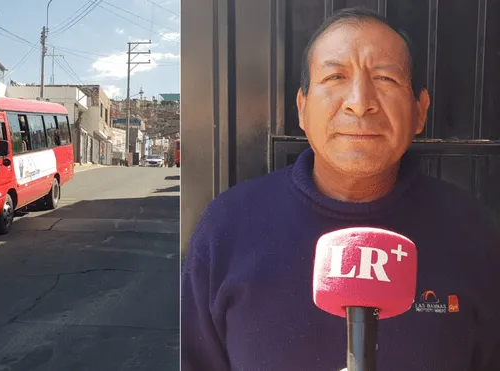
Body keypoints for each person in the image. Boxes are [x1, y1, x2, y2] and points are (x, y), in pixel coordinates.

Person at [180, 6, 500, 371]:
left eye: (385, 79)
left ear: (420, 111)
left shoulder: (471, 232)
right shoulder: (227, 227)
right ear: (302, 108)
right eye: (335, 77)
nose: (360, 103)